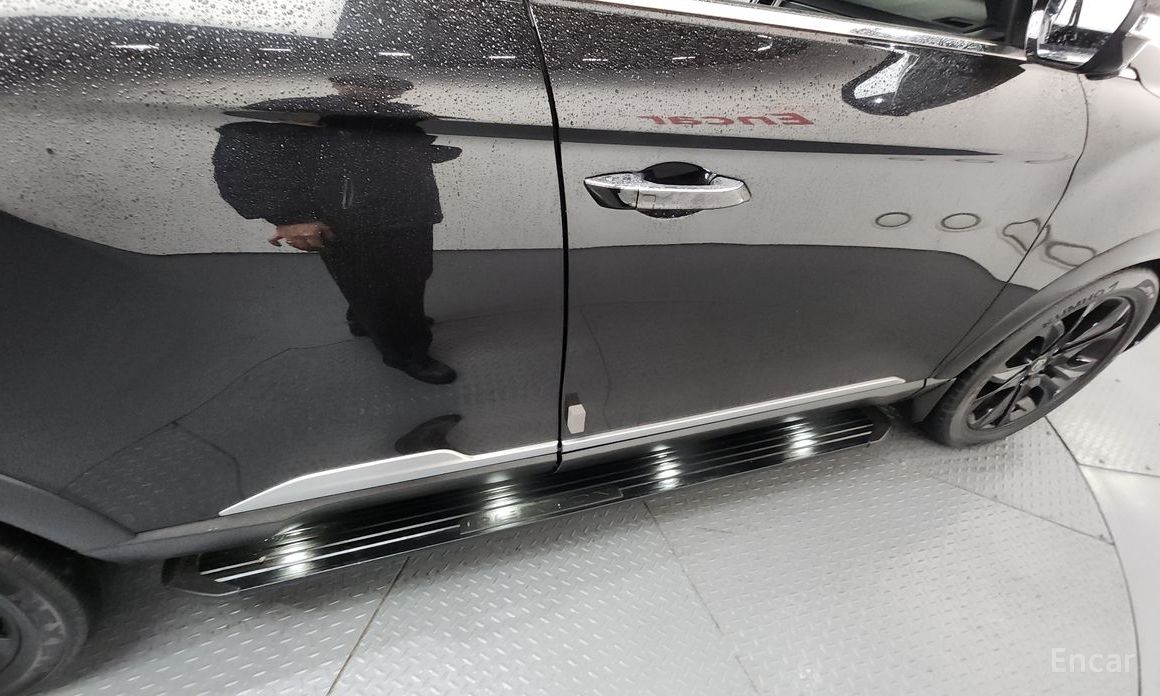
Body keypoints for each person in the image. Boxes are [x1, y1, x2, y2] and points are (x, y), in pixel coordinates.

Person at [212, 75, 461, 384]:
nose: (382, 88)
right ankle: (408, 354)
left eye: (390, 83)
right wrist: (290, 216)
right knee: (386, 286)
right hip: (351, 219)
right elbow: (244, 159)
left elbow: (374, 156)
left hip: (407, 213)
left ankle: (365, 320)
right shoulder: (301, 112)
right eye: (366, 79)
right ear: (338, 79)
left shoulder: (395, 115)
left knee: (401, 277)